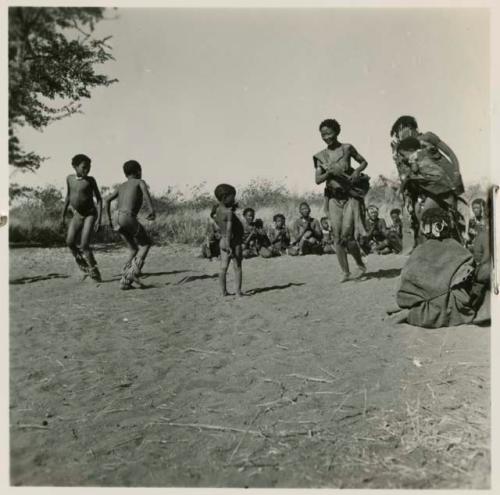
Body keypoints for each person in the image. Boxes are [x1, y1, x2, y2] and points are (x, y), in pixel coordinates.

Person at [388, 207, 485, 328]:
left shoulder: (418, 250)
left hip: (418, 303)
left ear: (425, 228)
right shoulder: (459, 249)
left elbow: (405, 281)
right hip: (452, 309)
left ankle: (412, 312)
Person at [390, 115, 466, 247]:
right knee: (425, 220)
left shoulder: (428, 137)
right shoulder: (405, 149)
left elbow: (450, 153)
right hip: (424, 190)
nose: (399, 135)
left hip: (446, 183)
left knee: (448, 217)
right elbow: (407, 174)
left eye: (400, 131)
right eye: (397, 133)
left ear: (408, 127)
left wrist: (456, 172)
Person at [313, 118, 369, 281]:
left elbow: (364, 161)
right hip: (333, 199)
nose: (326, 137)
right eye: (323, 134)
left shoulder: (347, 148)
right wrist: (329, 173)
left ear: (337, 132)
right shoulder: (320, 157)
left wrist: (357, 170)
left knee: (348, 235)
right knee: (337, 237)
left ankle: (360, 265)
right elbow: (318, 180)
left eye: (329, 133)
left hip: (350, 196)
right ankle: (345, 272)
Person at [104, 160, 156, 290]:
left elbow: (107, 200)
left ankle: (124, 281)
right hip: (127, 216)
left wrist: (109, 219)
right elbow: (146, 193)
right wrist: (151, 210)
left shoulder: (121, 186)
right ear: (139, 171)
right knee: (145, 244)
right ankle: (132, 273)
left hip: (117, 217)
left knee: (133, 249)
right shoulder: (140, 182)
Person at [61, 154, 103, 281]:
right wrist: (62, 216)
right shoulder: (69, 179)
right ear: (74, 167)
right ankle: (83, 266)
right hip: (78, 214)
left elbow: (99, 200)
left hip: (90, 214)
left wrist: (99, 219)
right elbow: (68, 196)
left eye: (89, 167)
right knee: (69, 242)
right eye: (84, 167)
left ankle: (95, 271)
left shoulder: (90, 180)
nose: (87, 170)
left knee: (84, 245)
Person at [213, 183, 244, 297]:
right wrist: (229, 245)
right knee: (238, 267)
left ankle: (223, 292)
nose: (234, 199)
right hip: (233, 241)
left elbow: (219, 224)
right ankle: (238, 292)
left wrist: (225, 243)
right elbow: (229, 229)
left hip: (222, 241)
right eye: (232, 196)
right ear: (225, 197)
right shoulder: (229, 212)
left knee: (223, 267)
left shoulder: (218, 210)